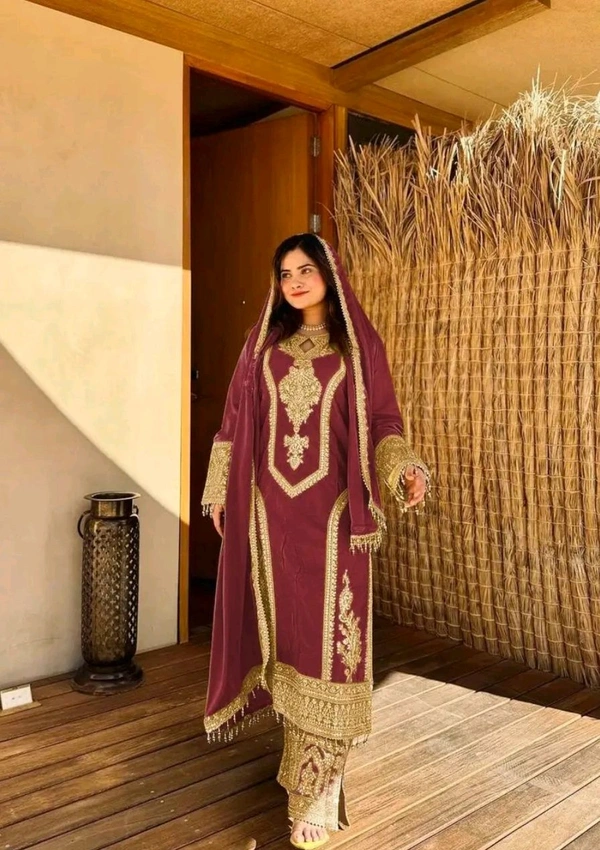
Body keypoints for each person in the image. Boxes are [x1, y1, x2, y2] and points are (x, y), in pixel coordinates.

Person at [201, 234, 430, 850]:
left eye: (306, 269)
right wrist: (220, 490)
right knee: (289, 645)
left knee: (331, 651)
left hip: (334, 526)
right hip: (269, 519)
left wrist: (403, 470)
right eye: (285, 274)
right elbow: (233, 420)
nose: (295, 281)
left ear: (329, 273)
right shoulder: (263, 347)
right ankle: (301, 771)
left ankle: (316, 794)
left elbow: (383, 423)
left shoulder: (358, 348)